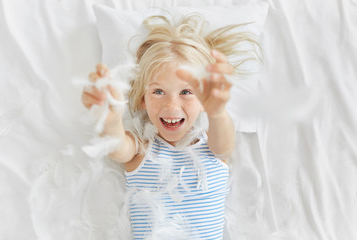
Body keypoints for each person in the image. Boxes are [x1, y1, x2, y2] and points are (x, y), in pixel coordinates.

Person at [82, 13, 259, 240]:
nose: (171, 105)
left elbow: (225, 146)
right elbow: (117, 146)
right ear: (143, 100)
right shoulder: (140, 150)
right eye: (158, 91)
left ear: (204, 99)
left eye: (186, 92)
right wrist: (111, 117)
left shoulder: (213, 148)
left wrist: (217, 113)